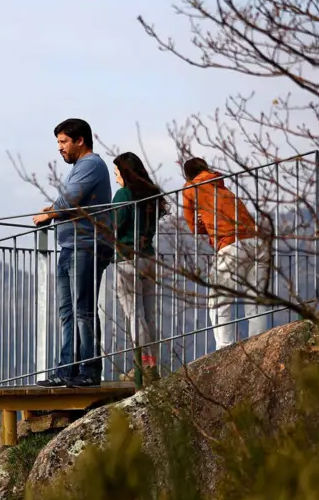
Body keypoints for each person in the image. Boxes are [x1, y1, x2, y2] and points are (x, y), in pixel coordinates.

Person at [33, 118, 114, 388]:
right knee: (69, 311)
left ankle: (89, 371)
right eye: (58, 142)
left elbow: (69, 200)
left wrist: (49, 213)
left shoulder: (91, 164)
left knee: (83, 310)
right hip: (72, 245)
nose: (59, 148)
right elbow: (66, 200)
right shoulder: (81, 166)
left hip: (86, 245)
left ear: (80, 141)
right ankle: (67, 371)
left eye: (63, 141)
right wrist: (53, 209)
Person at [180, 157, 271, 350]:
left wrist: (203, 223)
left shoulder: (191, 188)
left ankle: (224, 349)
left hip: (231, 245)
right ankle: (261, 346)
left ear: (188, 174)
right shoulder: (222, 187)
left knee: (218, 299)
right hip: (258, 243)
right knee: (255, 299)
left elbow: (193, 226)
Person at [111, 151, 166, 382]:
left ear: (124, 173)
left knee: (135, 314)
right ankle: (153, 363)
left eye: (116, 173)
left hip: (127, 258)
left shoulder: (124, 194)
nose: (115, 178)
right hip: (148, 259)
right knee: (149, 314)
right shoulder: (151, 195)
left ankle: (142, 366)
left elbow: (113, 222)